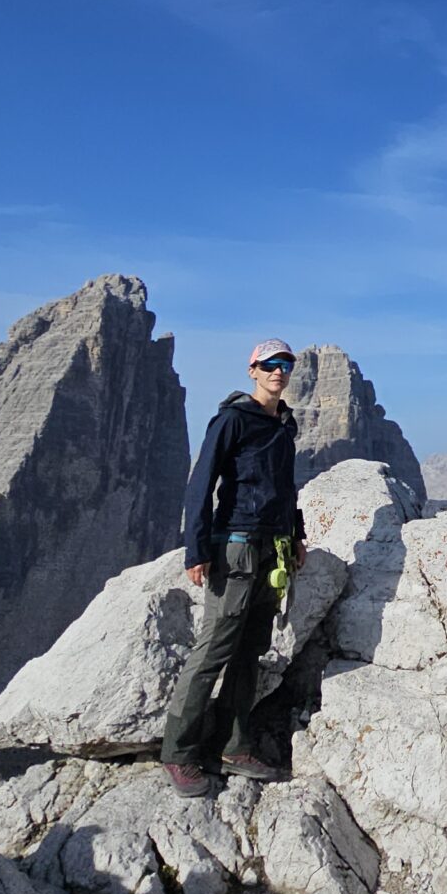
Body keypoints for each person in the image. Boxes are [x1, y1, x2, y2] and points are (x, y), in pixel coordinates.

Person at [162, 339, 307, 795]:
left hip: (271, 550)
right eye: (269, 364)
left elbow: (284, 486)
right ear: (253, 370)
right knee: (214, 650)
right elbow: (200, 484)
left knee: (250, 651)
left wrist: (296, 534)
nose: (278, 371)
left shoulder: (283, 425)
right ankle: (179, 754)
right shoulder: (233, 419)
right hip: (235, 549)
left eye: (285, 364)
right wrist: (196, 549)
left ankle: (233, 748)